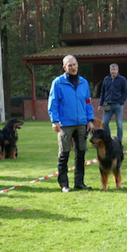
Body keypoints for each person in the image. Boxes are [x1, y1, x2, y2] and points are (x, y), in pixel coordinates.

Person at [48, 55, 95, 192]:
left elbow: (88, 102)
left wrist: (90, 120)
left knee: (81, 154)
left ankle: (79, 182)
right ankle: (64, 184)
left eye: (74, 64)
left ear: (78, 65)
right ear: (64, 67)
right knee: (64, 154)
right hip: (65, 124)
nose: (73, 67)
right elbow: (53, 102)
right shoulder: (58, 83)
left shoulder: (84, 83)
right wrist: (54, 120)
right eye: (70, 66)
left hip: (81, 123)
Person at [98, 63, 127, 141]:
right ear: (110, 70)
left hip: (118, 104)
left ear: (117, 70)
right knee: (104, 123)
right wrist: (100, 104)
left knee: (119, 124)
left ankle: (119, 140)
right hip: (108, 104)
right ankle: (109, 139)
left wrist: (121, 102)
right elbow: (103, 92)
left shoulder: (122, 79)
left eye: (114, 70)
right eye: (111, 69)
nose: (113, 71)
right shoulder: (106, 79)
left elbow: (126, 92)